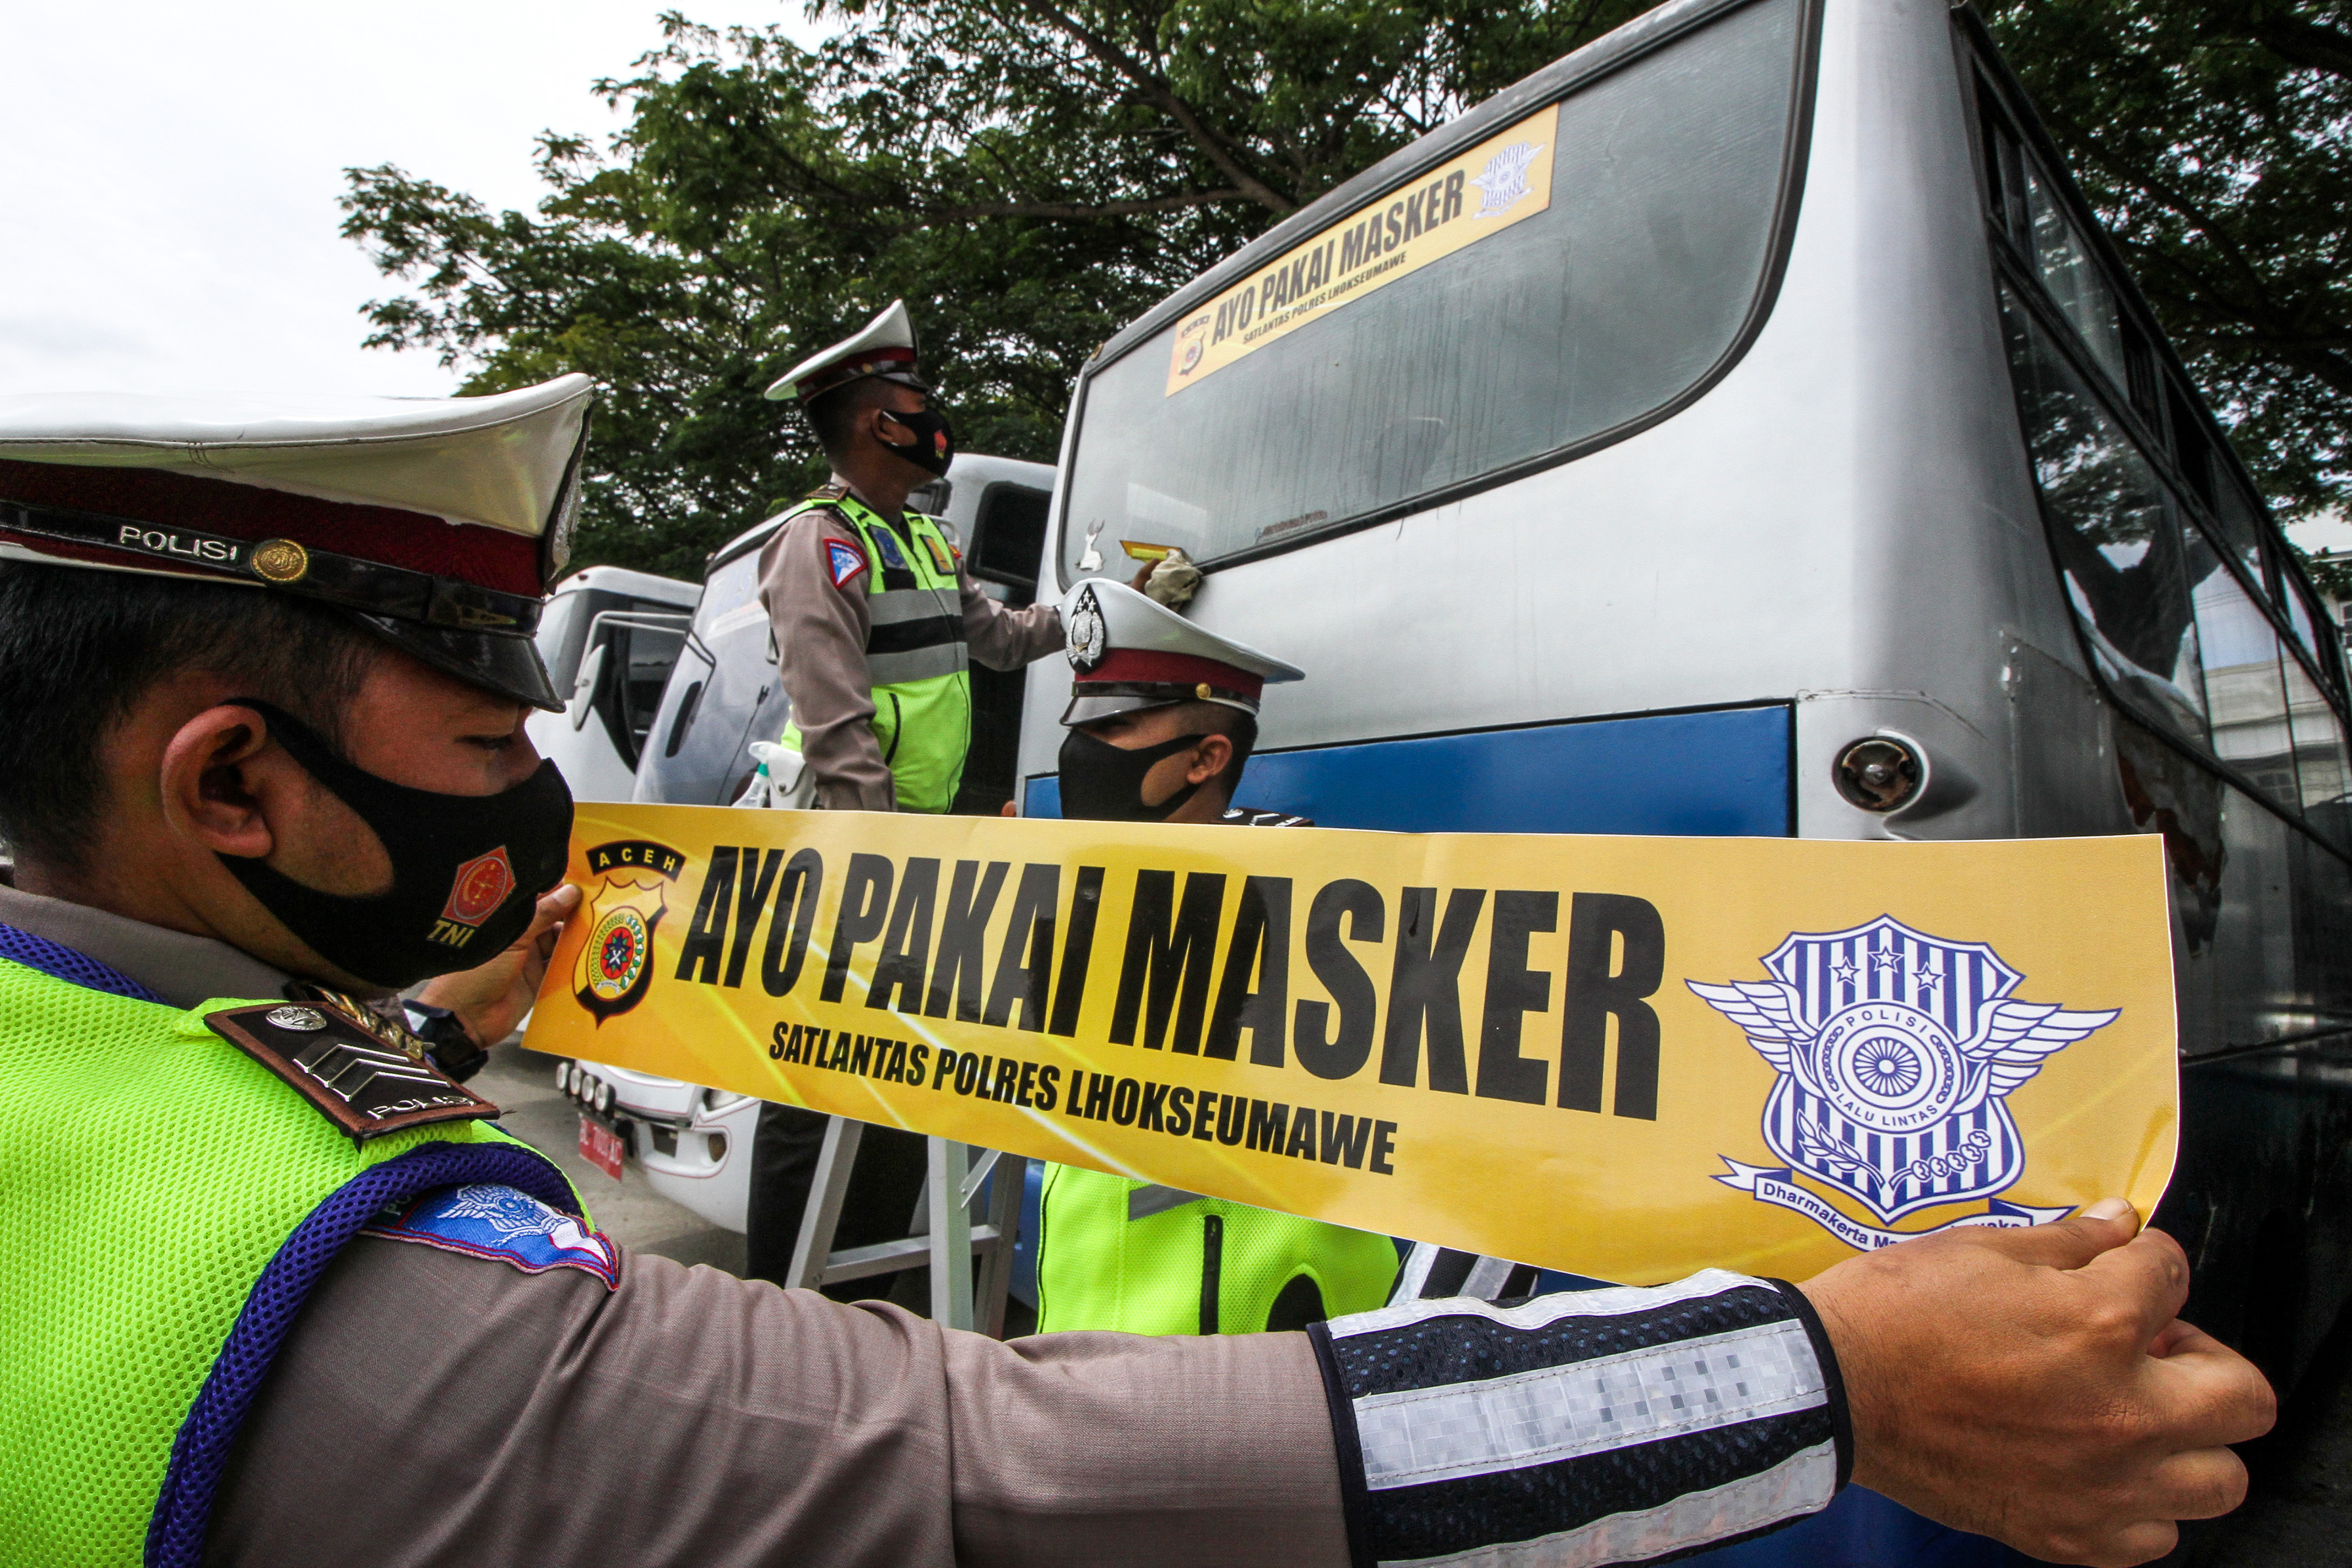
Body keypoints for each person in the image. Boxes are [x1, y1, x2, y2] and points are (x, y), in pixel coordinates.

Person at [0, 381, 2274, 1568]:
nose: (536, 810)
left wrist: (413, 1027)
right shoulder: (333, 1302)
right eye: (499, 745)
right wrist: (1845, 1385)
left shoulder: (107, 1036)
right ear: (232, 791)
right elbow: (982, 1480)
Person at [737, 300, 1171, 1292]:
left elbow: (1004, 640)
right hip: (846, 853)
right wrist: (886, 861)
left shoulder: (927, 542)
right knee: (814, 1085)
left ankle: (860, 1300)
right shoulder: (820, 543)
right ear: (871, 423)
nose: (934, 417)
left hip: (912, 850)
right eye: (915, 400)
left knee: (895, 1076)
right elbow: (838, 727)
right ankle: (780, 1310)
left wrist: (1108, 611)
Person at [1032, 578, 1401, 1334]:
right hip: (1084, 1307)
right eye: (1082, 726)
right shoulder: (1087, 874)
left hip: (1243, 1322)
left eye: (1114, 728)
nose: (1078, 754)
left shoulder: (1298, 888)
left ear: (1205, 758)